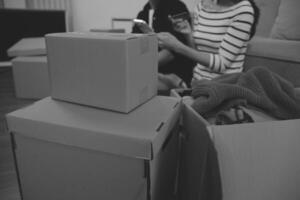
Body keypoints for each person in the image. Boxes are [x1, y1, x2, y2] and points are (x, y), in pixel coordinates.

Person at [157, 0, 259, 83]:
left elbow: (222, 64)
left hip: (224, 87)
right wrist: (188, 35)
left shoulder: (244, 10)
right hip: (197, 84)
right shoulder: (201, 7)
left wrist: (177, 46)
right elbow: (198, 57)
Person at [132, 0, 196, 89]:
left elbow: (172, 52)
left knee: (134, 82)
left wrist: (139, 66)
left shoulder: (176, 7)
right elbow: (133, 45)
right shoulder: (143, 13)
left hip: (175, 72)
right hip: (151, 70)